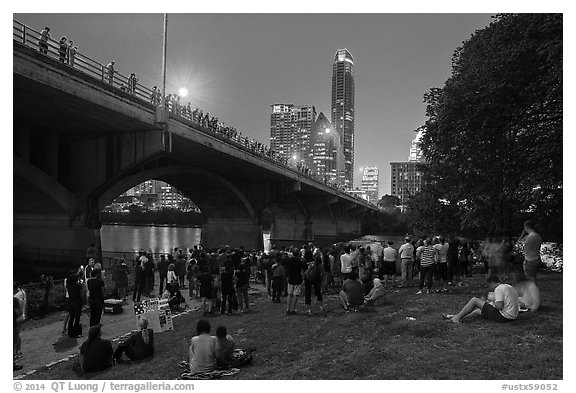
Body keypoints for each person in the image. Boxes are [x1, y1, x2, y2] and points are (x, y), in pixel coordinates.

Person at [447, 275, 519, 323]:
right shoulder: (510, 287)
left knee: (474, 300)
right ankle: (456, 316)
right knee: (478, 311)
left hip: (504, 317)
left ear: (491, 283)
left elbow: (499, 306)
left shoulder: (498, 289)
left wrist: (492, 301)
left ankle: (456, 319)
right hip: (513, 316)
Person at [285, 247, 306, 315]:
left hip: (290, 278)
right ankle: (292, 309)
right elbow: (302, 271)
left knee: (289, 294)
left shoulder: (289, 260)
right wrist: (303, 279)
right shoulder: (300, 261)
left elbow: (287, 269)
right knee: (295, 295)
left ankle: (287, 309)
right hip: (297, 278)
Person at [66, 273, 84, 338]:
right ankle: (76, 333)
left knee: (71, 317)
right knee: (77, 318)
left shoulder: (68, 286)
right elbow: (82, 294)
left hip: (71, 302)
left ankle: (70, 332)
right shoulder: (78, 286)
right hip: (78, 302)